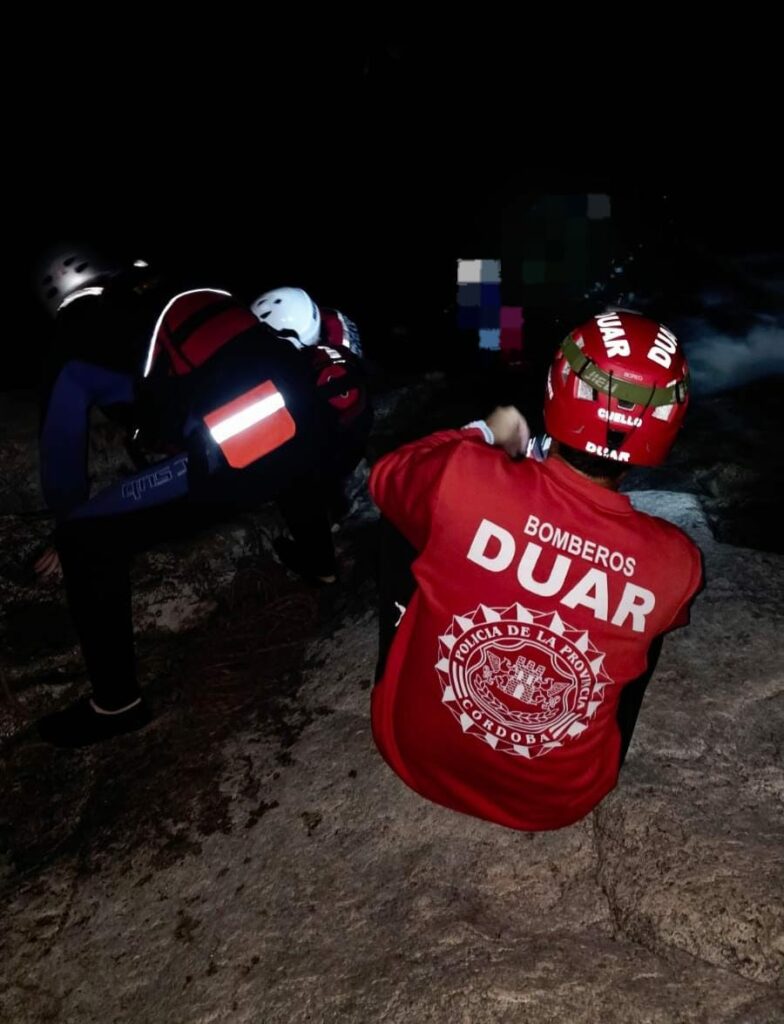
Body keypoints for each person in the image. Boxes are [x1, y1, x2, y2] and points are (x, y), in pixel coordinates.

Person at [369, 310, 703, 831]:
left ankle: (400, 663)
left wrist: (487, 432)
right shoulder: (675, 560)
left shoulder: (463, 477)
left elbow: (386, 477)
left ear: (555, 389)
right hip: (554, 803)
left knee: (409, 514)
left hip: (411, 751)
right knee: (652, 618)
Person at [34, 273, 366, 748]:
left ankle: (116, 704)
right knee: (284, 433)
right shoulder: (188, 291)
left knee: (84, 539)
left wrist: (65, 519)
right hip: (299, 428)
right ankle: (320, 564)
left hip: (236, 448)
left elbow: (63, 438)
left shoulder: (78, 336)